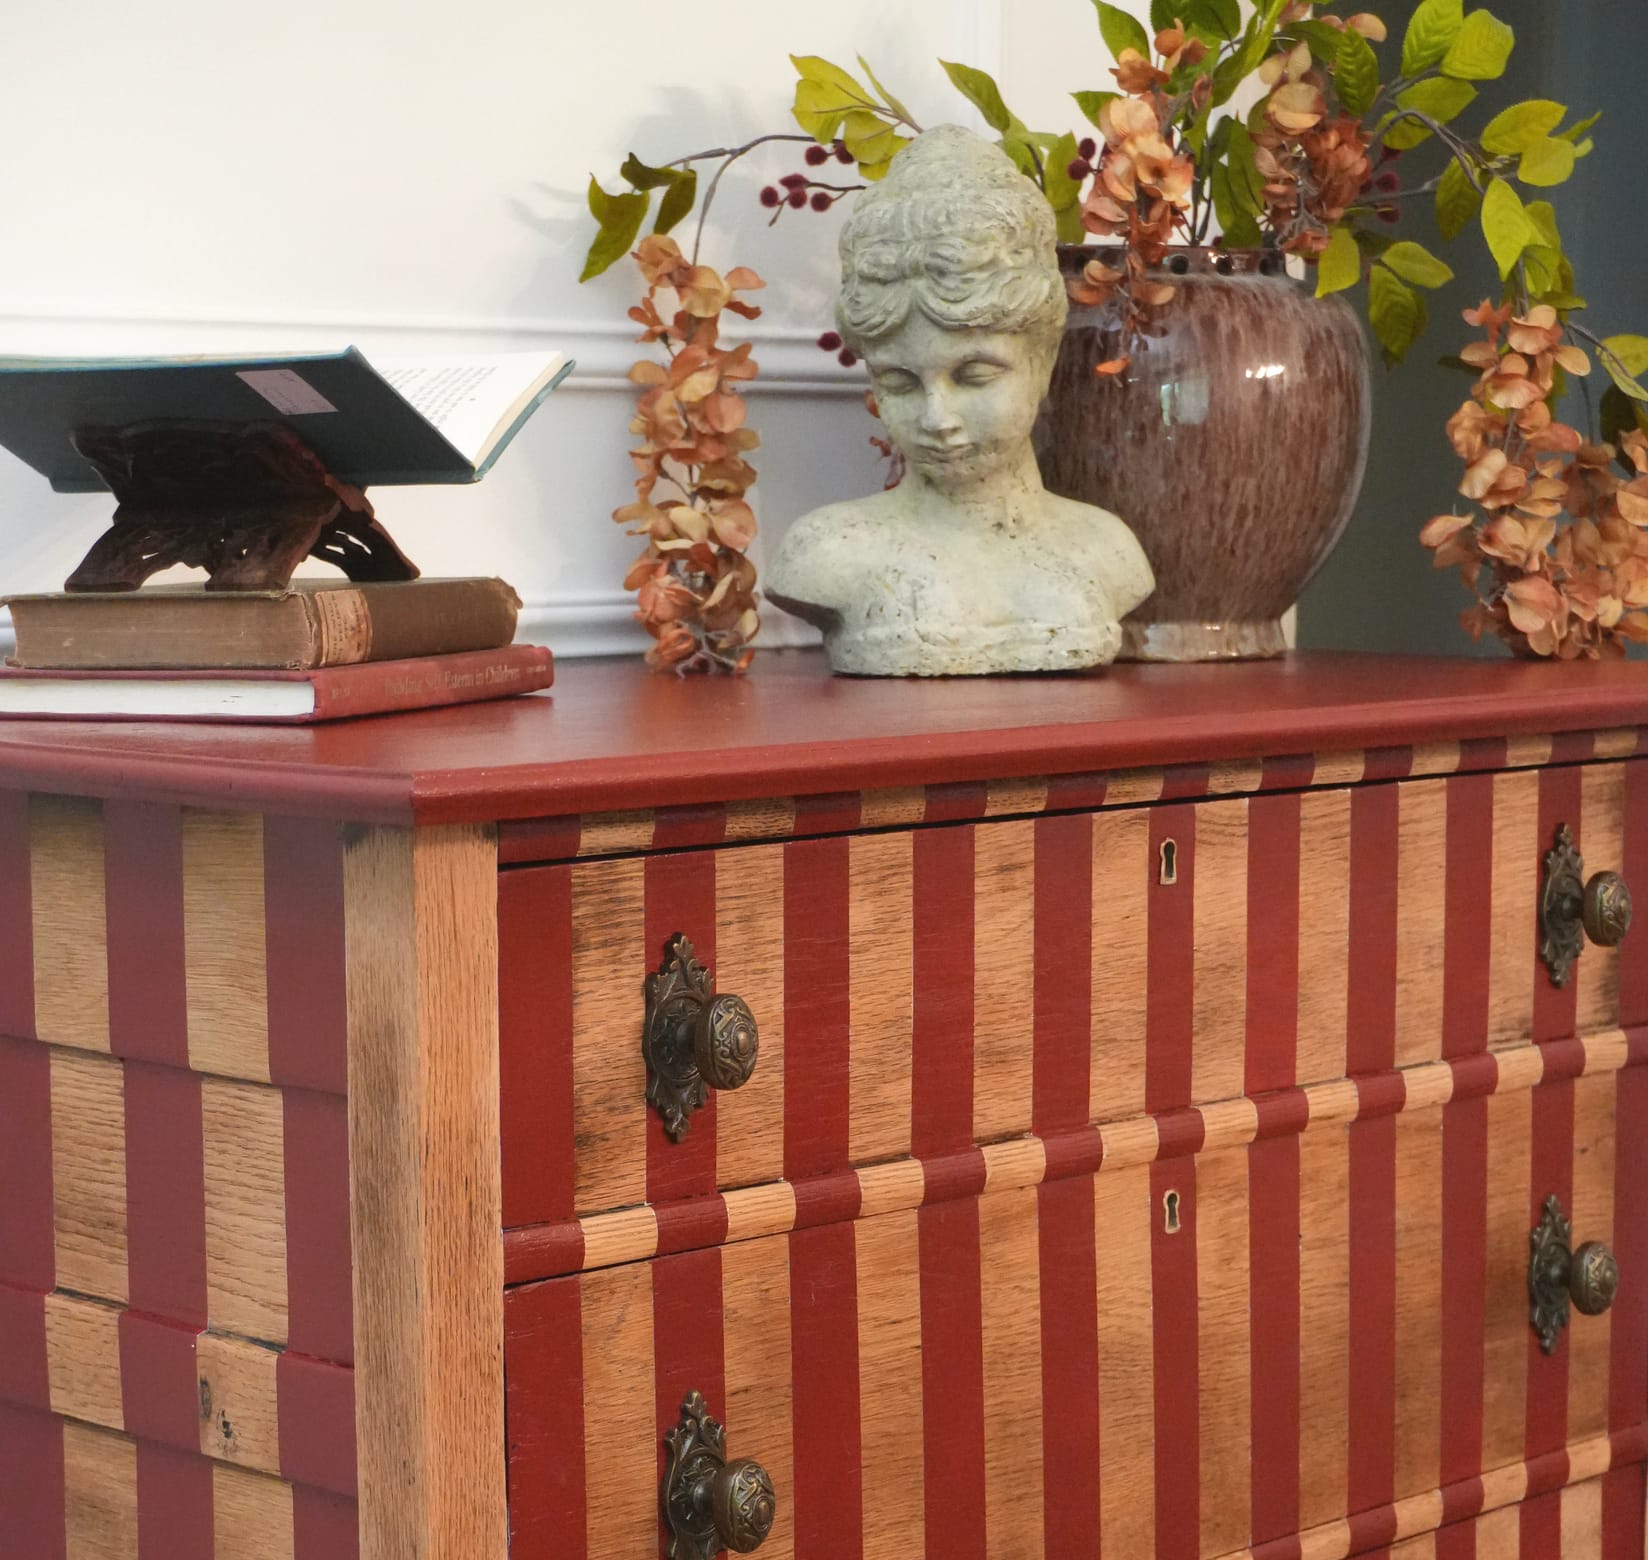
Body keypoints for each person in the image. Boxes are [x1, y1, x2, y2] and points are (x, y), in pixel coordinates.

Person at [766, 123, 1154, 676]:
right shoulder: (825, 553)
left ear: (1042, 363)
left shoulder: (1107, 549)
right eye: (899, 383)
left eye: (973, 377)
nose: (936, 419)